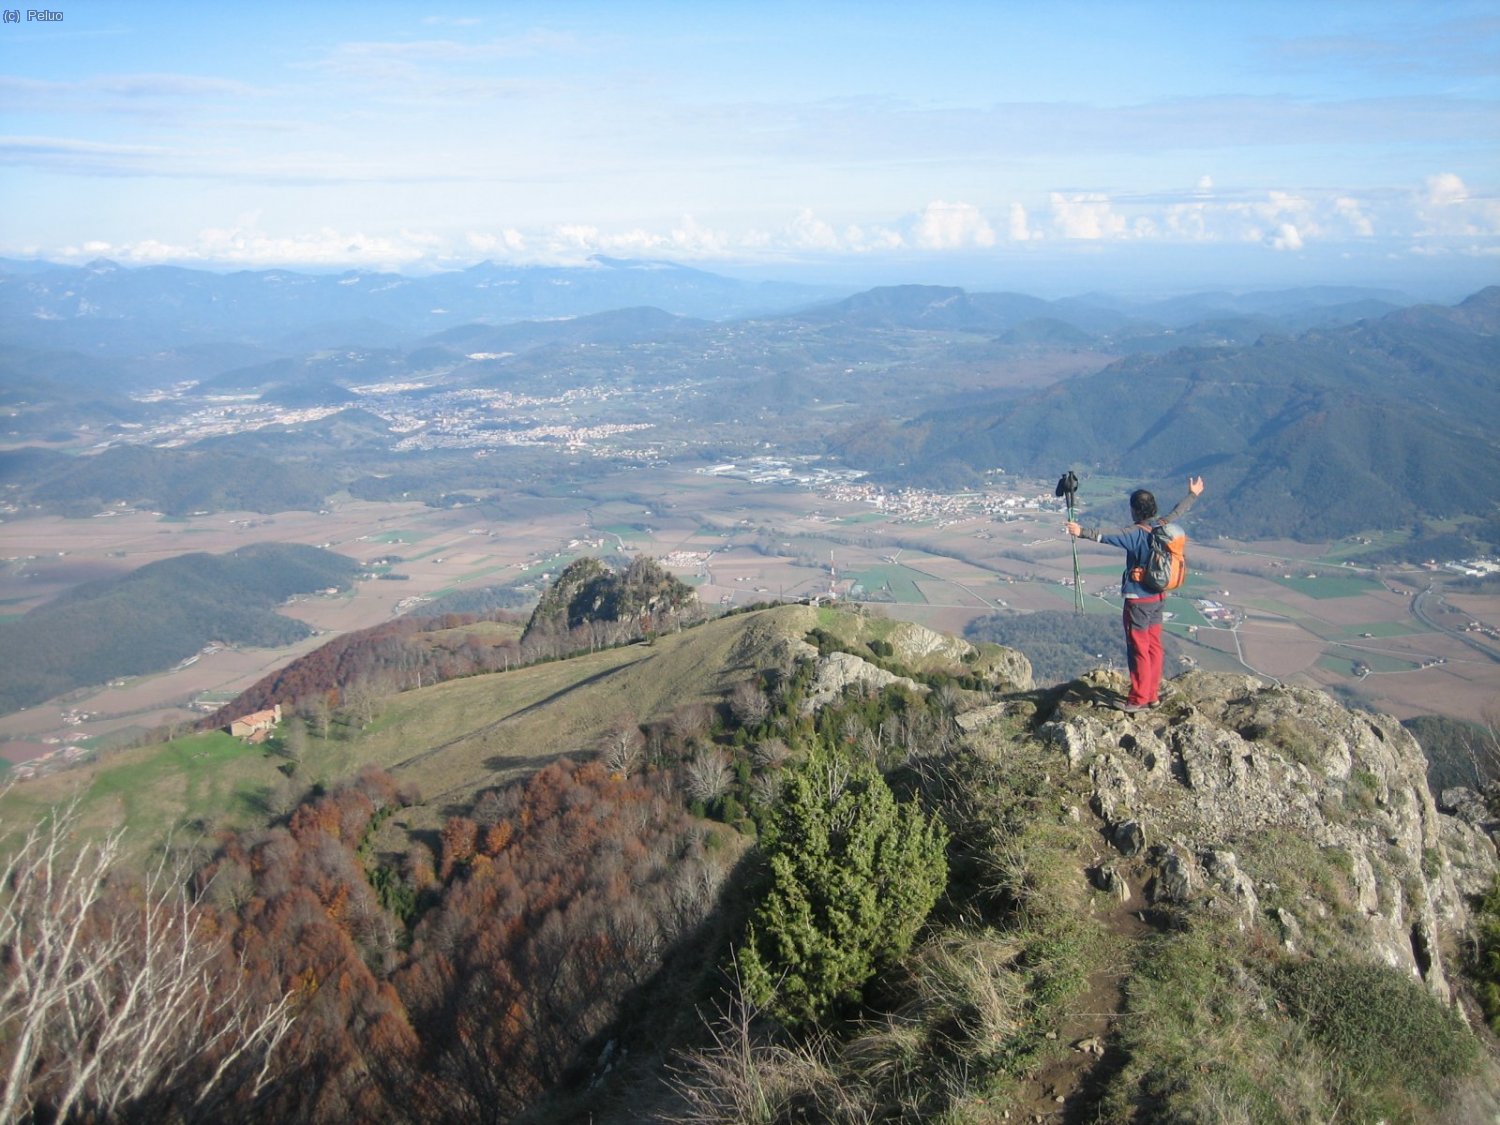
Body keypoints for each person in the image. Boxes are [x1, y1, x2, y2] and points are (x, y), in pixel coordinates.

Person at [1066, 476, 1205, 712]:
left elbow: (1107, 535)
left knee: (1138, 648)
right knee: (1153, 647)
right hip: (1159, 597)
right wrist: (1192, 494)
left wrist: (1080, 532)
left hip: (1138, 601)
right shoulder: (1162, 526)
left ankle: (1138, 699)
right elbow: (1176, 512)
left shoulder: (1135, 533)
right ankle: (1151, 695)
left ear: (1134, 510)